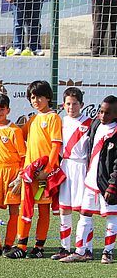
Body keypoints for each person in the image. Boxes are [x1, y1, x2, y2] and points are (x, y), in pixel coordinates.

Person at [6, 80, 62, 259]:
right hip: (30, 175)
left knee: (43, 210)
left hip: (44, 175)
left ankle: (39, 247)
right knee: (25, 208)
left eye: (39, 96)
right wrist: (0, 123)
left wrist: (48, 169)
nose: (35, 100)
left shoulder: (53, 118)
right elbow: (17, 133)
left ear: (48, 98)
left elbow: (55, 147)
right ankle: (21, 245)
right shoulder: (33, 119)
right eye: (32, 97)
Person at [60, 96, 117, 264]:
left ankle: (108, 252)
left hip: (108, 183)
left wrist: (113, 184)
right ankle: (81, 251)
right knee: (84, 214)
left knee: (112, 216)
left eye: (107, 113)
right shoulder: (96, 125)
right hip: (91, 179)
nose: (102, 115)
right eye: (100, 111)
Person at [52, 87, 92, 260]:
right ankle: (64, 247)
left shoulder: (90, 123)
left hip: (83, 168)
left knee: (85, 210)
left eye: (75, 104)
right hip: (66, 167)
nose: (71, 107)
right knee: (64, 209)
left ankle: (85, 248)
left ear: (81, 105)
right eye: (68, 104)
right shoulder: (60, 122)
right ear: (63, 104)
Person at [0, 94, 26, 257]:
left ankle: (9, 244)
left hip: (13, 172)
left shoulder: (14, 130)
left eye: (2, 109)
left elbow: (23, 157)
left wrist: (20, 177)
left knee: (14, 210)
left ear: (8, 110)